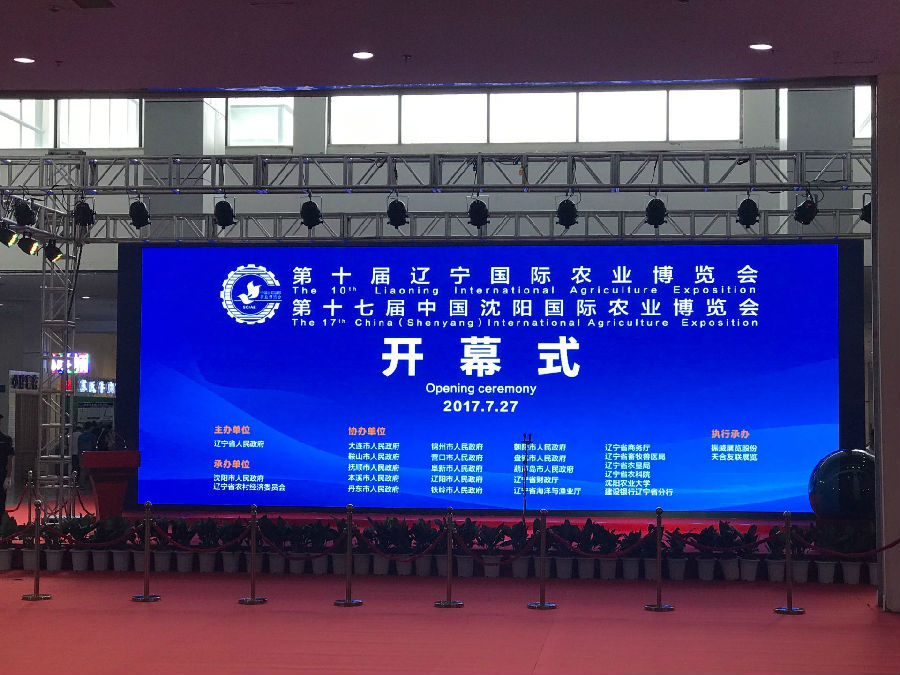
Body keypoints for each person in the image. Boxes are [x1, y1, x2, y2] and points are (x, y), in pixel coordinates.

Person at [0, 414, 14, 510]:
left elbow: (9, 459)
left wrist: (8, 477)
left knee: (1, 501)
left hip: (1, 474)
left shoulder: (6, 439)